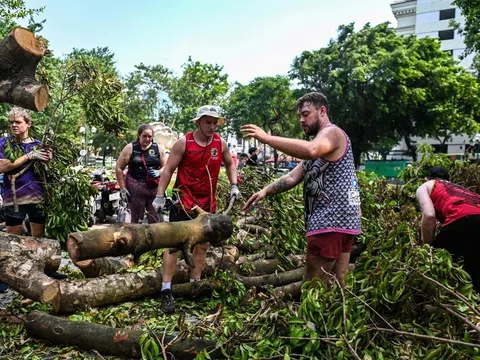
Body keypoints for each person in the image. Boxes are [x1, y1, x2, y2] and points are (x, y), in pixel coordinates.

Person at [241, 92, 361, 287]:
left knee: (313, 286)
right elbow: (291, 177)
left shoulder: (331, 133)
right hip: (343, 222)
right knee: (337, 285)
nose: (301, 120)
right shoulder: (321, 144)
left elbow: (310, 150)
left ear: (322, 111)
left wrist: (267, 138)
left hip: (330, 222)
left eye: (306, 114)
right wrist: (265, 191)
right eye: (299, 116)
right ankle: (336, 316)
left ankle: (311, 319)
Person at [152, 105, 240, 314]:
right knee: (174, 247)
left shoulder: (220, 143)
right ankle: (166, 289)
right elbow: (169, 169)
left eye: (214, 122)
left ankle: (195, 285)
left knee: (202, 247)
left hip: (208, 204)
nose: (211, 126)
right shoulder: (184, 143)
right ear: (198, 122)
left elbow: (229, 164)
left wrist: (234, 184)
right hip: (184, 202)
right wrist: (159, 195)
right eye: (207, 122)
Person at [0, 107, 55, 292]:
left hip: (37, 197)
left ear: (28, 124)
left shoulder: (39, 144)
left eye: (18, 122)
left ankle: (37, 272)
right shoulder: (5, 143)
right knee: (12, 240)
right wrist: (29, 155)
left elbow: (49, 170)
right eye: (11, 122)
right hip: (14, 198)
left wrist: (48, 158)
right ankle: (8, 277)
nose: (14, 125)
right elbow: (3, 166)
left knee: (37, 238)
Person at [416, 167, 480, 291]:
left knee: (434, 265)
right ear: (448, 181)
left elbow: (429, 215)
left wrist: (427, 249)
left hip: (462, 219)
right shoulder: (461, 189)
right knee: (475, 275)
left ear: (426, 179)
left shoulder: (427, 185)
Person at [116, 124, 166, 224]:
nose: (147, 139)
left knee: (155, 219)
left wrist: (159, 172)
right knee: (135, 220)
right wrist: (122, 189)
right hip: (135, 189)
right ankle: (135, 239)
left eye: (150, 136)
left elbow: (166, 167)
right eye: (144, 136)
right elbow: (119, 168)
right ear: (139, 135)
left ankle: (155, 239)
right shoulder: (130, 148)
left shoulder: (159, 148)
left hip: (153, 189)